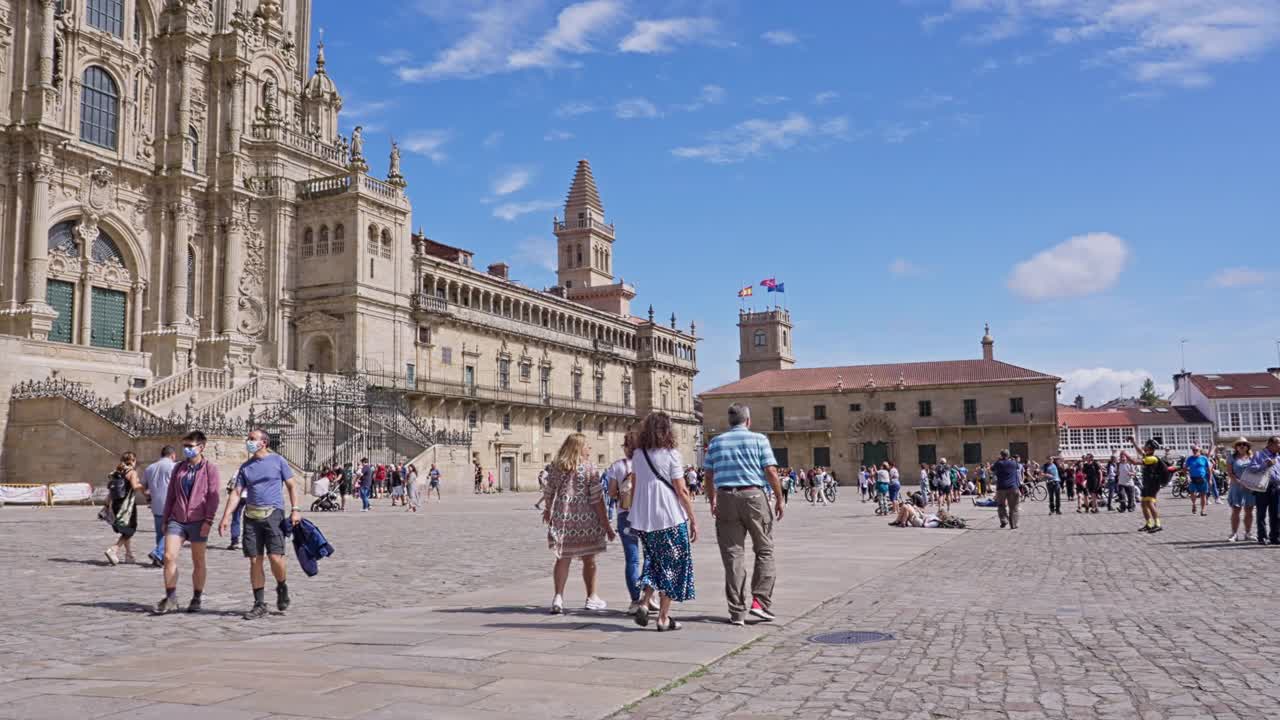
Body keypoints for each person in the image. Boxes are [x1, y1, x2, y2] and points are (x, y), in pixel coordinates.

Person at [703, 403, 783, 627]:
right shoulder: (759, 440)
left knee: (733, 556)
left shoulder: (716, 442)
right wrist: (780, 498)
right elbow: (770, 471)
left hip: (726, 497)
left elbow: (708, 475)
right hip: (753, 496)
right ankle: (760, 601)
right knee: (764, 549)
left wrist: (712, 499)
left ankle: (737, 612)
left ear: (730, 422)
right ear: (748, 421)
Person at [218, 428, 302, 620]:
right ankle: (259, 603)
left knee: (275, 558)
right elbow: (237, 493)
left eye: (252, 439)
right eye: (248, 438)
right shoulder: (246, 467)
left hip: (273, 514)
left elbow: (291, 485)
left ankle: (282, 585)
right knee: (255, 560)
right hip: (251, 516)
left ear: (264, 442)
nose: (248, 441)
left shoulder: (278, 461)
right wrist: (225, 517)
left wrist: (295, 509)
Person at [629, 413, 698, 631]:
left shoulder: (638, 455)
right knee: (673, 566)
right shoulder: (671, 454)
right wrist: (693, 520)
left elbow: (635, 483)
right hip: (669, 516)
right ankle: (663, 618)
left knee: (654, 561)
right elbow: (681, 490)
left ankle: (643, 601)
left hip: (645, 519)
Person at [541, 433, 615, 614]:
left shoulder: (557, 467)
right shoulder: (589, 468)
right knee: (589, 558)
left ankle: (558, 597)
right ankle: (591, 597)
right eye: (587, 446)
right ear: (579, 448)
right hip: (586, 519)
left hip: (563, 517)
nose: (589, 449)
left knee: (562, 558)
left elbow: (549, 492)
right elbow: (597, 499)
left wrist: (548, 511)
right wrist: (606, 525)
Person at [155, 431, 221, 614]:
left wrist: (209, 520)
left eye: (190, 446)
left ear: (201, 447)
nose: (186, 449)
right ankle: (171, 597)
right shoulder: (178, 468)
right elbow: (171, 495)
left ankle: (197, 597)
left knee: (198, 560)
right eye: (185, 446)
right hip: (177, 519)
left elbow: (213, 497)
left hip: (199, 520)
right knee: (168, 556)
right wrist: (166, 517)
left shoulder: (210, 469)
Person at [606, 431, 645, 615]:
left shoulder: (617, 466)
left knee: (632, 559)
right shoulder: (646, 465)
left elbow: (611, 492)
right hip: (646, 515)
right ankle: (648, 597)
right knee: (651, 557)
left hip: (625, 514)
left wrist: (622, 494)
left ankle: (635, 600)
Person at [104, 452, 144, 566]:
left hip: (116, 504)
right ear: (133, 461)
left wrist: (107, 505)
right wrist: (145, 485)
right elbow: (135, 486)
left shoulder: (117, 472)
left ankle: (129, 555)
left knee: (125, 529)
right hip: (127, 506)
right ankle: (114, 549)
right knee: (131, 529)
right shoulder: (132, 472)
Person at [142, 446, 177, 567]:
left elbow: (144, 487)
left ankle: (159, 558)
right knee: (172, 531)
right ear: (172, 455)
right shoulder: (173, 467)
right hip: (170, 504)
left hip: (156, 504)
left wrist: (149, 496)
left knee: (160, 532)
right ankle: (158, 553)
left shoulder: (149, 468)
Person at [1132, 437, 1171, 533]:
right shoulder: (1147, 455)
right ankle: (1149, 524)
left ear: (1149, 447)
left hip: (1153, 484)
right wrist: (1133, 441)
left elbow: (1135, 462)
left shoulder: (1152, 458)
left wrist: (1124, 454)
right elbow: (1140, 451)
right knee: (1143, 504)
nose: (1144, 446)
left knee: (1149, 503)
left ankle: (1158, 524)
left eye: (1146, 445)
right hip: (1147, 483)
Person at [1250, 436, 1280, 546]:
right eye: (1279, 444)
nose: (1279, 446)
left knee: (1276, 514)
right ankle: (1262, 537)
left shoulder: (1278, 456)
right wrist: (1265, 464)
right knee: (1261, 513)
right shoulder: (1259, 455)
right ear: (1271, 444)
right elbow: (1252, 468)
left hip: (1276, 488)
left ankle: (1275, 537)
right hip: (1262, 487)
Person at [1226, 438, 1255, 542]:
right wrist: (1240, 482)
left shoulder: (1252, 457)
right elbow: (1230, 473)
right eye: (1239, 444)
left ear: (1247, 446)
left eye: (1244, 444)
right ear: (1236, 447)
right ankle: (1234, 534)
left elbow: (1256, 472)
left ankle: (1248, 533)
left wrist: (1250, 483)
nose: (1242, 446)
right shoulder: (1232, 458)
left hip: (1249, 487)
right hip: (1236, 487)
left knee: (1249, 511)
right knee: (1236, 511)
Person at [992, 450, 1021, 530]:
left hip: (1001, 488)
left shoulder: (998, 463)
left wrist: (999, 460)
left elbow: (992, 469)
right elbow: (1018, 467)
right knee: (1014, 507)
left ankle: (1004, 519)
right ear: (1008, 455)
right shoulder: (1014, 463)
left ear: (1001, 455)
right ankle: (1013, 524)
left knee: (1001, 505)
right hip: (1013, 487)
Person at [1185, 446, 1212, 516]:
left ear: (1199, 451)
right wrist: (1187, 477)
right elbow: (1184, 468)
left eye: (1196, 450)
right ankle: (1194, 504)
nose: (1195, 451)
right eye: (1193, 450)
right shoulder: (1189, 459)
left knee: (1203, 495)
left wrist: (1210, 479)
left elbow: (1209, 469)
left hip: (1202, 479)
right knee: (1192, 494)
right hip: (1193, 479)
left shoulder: (1204, 458)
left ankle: (1203, 510)